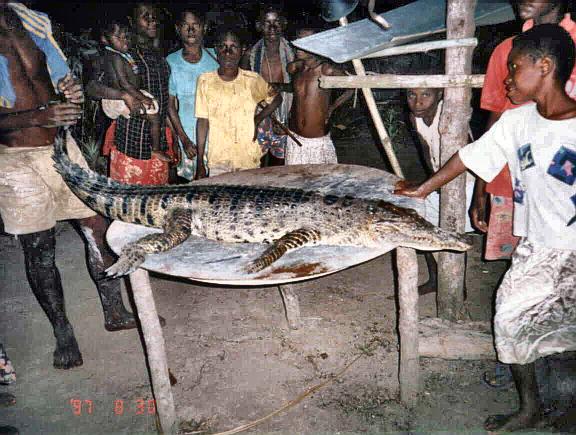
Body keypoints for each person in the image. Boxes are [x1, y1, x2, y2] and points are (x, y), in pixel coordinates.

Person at [395, 24, 576, 432]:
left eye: (515, 68)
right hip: (538, 246)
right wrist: (423, 188)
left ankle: (546, 405)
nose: (506, 78)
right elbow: (469, 157)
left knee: (527, 318)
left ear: (544, 67)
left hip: (569, 248)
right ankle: (534, 407)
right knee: (515, 316)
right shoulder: (518, 121)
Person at [0, 2, 136, 370]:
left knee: (98, 226)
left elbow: (52, 75)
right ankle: (63, 331)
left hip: (62, 145)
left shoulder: (25, 18)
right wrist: (36, 115)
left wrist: (68, 88)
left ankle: (114, 310)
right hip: (16, 158)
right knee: (39, 248)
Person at [471, 0, 576, 261]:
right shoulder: (507, 50)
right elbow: (495, 121)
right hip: (513, 181)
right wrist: (481, 186)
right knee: (522, 265)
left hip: (566, 189)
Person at [86, 3, 173, 185]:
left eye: (154, 15)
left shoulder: (159, 55)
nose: (152, 20)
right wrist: (124, 95)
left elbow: (165, 97)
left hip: (159, 142)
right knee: (127, 207)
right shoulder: (120, 52)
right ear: (132, 22)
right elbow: (92, 87)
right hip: (131, 144)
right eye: (145, 16)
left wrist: (175, 136)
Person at [406, 86, 476, 293]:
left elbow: (470, 155)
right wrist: (431, 183)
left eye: (426, 95)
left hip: (467, 182)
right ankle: (436, 278)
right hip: (440, 181)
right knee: (424, 223)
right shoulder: (415, 117)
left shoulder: (451, 113)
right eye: (412, 95)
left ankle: (455, 286)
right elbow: (428, 153)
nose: (417, 102)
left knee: (451, 233)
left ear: (440, 95)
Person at [195, 26, 282, 178]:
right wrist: (200, 163)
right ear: (216, 49)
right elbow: (203, 121)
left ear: (242, 50)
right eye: (223, 46)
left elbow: (276, 99)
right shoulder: (205, 81)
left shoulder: (252, 80)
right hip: (218, 160)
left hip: (248, 159)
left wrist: (258, 119)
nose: (227, 52)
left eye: (233, 47)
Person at [99, 20, 165, 164]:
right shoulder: (115, 57)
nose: (124, 41)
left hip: (127, 93)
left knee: (153, 107)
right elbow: (124, 83)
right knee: (154, 117)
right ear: (105, 40)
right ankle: (156, 149)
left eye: (126, 37)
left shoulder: (122, 54)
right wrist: (142, 97)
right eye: (118, 38)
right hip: (118, 99)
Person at [285, 27, 353, 165]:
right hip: (294, 137)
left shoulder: (326, 69)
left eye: (305, 41)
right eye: (297, 40)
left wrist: (332, 107)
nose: (298, 45)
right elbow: (298, 92)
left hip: (317, 141)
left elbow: (352, 87)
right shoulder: (295, 67)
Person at [166, 8, 218, 181]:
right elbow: (170, 106)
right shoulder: (171, 62)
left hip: (218, 139)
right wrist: (183, 139)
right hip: (188, 141)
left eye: (195, 25)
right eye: (185, 26)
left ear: (204, 27)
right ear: (177, 29)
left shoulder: (217, 57)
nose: (190, 30)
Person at [241, 5, 294, 166]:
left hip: (287, 117)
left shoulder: (293, 53)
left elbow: (300, 87)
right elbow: (243, 89)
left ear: (283, 24)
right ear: (259, 26)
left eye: (276, 22)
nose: (272, 28)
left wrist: (281, 87)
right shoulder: (250, 55)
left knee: (280, 169)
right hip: (258, 118)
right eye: (267, 23)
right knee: (257, 166)